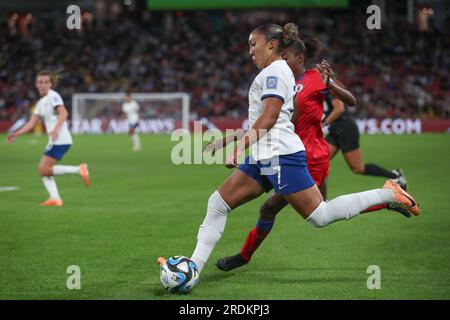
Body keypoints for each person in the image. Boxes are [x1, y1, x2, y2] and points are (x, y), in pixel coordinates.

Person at [157, 23, 419, 280]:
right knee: (217, 204)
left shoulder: (273, 73)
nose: (250, 51)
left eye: (253, 44)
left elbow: (270, 118)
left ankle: (388, 192)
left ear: (271, 44)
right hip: (265, 155)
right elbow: (279, 120)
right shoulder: (280, 73)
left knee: (320, 216)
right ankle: (193, 269)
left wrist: (239, 147)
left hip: (281, 156)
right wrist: (230, 139)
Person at [215, 38, 412, 272]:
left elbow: (350, 101)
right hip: (290, 153)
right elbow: (279, 120)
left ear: (299, 58)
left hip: (305, 157)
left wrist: (331, 84)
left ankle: (387, 195)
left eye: (285, 56)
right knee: (322, 210)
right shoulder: (281, 81)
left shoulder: (314, 78)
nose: (281, 60)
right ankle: (386, 200)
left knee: (311, 213)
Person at [6, 70, 90, 206]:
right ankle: (55, 198)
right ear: (36, 84)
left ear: (51, 84)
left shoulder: (53, 96)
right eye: (40, 82)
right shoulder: (40, 103)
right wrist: (16, 133)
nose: (43, 85)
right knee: (44, 170)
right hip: (55, 140)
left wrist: (56, 129)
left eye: (46, 82)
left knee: (43, 169)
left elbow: (64, 113)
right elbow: (32, 123)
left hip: (60, 139)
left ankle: (79, 170)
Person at [322, 60, 407, 190]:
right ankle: (320, 199)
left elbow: (339, 109)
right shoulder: (330, 85)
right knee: (320, 162)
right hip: (336, 129)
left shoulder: (331, 87)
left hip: (345, 128)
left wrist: (323, 123)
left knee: (358, 168)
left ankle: (395, 175)